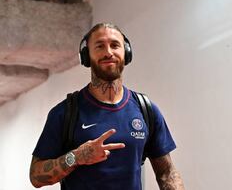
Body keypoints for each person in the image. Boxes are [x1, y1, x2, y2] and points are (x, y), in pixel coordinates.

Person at [29, 23, 185, 190]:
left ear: (126, 52)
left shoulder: (146, 109)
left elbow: (167, 173)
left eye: (115, 45)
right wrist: (77, 157)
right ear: (86, 56)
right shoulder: (65, 112)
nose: (108, 52)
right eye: (100, 46)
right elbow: (36, 177)